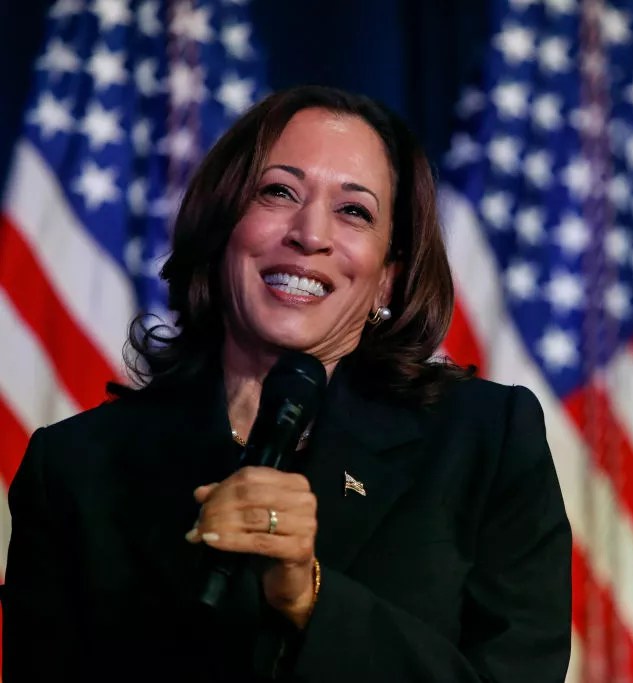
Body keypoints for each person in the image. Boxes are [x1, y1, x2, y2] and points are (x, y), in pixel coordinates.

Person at [2, 85, 572, 682]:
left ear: (387, 278)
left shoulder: (486, 442)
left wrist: (311, 598)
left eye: (354, 211)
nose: (309, 234)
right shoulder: (76, 468)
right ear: (222, 229)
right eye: (279, 192)